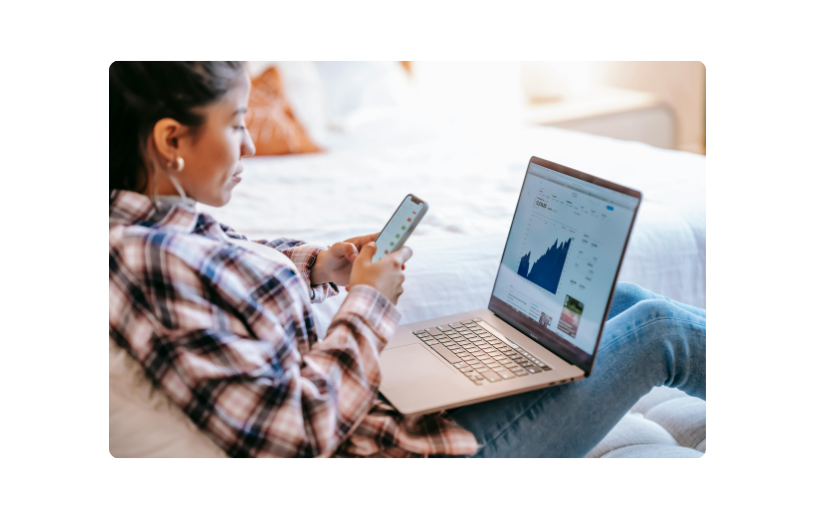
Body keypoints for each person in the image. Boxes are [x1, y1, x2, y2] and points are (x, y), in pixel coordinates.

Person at [109, 61, 706, 459]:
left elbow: (224, 268)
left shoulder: (153, 226)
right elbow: (292, 433)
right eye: (237, 125)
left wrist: (321, 263)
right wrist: (368, 302)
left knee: (623, 302)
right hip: (400, 446)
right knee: (659, 331)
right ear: (170, 141)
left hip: (389, 406)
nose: (252, 145)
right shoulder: (150, 260)